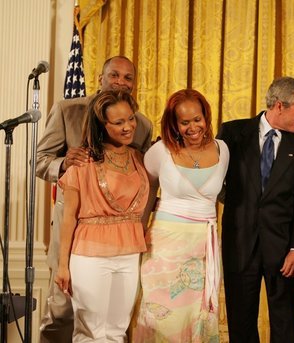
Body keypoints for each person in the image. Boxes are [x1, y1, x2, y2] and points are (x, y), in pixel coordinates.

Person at [36, 55, 152, 343]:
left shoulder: (142, 125)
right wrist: (63, 163)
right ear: (100, 77)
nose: (121, 82)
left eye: (128, 78)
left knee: (112, 323)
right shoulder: (68, 111)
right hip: (75, 228)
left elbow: (142, 178)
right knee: (62, 311)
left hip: (122, 238)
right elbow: (39, 161)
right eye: (114, 75)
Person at [217, 76, 294, 342]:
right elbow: (216, 181)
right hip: (239, 244)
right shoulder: (231, 133)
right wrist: (243, 204)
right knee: (241, 323)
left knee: (285, 326)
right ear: (279, 105)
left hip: (284, 250)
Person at [133, 89, 229, 342]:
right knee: (164, 314)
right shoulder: (159, 152)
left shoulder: (223, 150)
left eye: (197, 119)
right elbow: (148, 189)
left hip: (204, 243)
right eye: (184, 122)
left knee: (197, 312)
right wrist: (140, 228)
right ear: (174, 124)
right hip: (165, 244)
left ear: (206, 116)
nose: (193, 127)